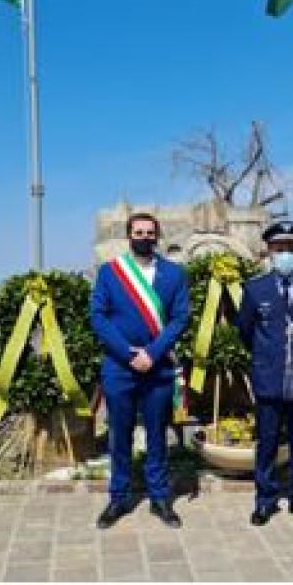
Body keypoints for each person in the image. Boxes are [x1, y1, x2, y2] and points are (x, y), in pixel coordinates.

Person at [91, 212, 190, 529]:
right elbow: (98, 317)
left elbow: (180, 318)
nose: (144, 237)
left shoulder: (174, 274)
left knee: (158, 435)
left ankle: (160, 498)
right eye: (138, 232)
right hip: (120, 368)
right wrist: (127, 353)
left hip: (158, 367)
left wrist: (152, 352)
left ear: (157, 236)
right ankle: (118, 497)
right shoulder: (110, 273)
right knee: (118, 435)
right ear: (129, 235)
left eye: (150, 232)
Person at [235, 220, 293, 526]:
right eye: (279, 248)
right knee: (267, 444)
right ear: (269, 251)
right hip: (269, 379)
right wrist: (267, 357)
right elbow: (245, 332)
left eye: (290, 248)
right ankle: (265, 501)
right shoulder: (254, 289)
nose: (285, 253)